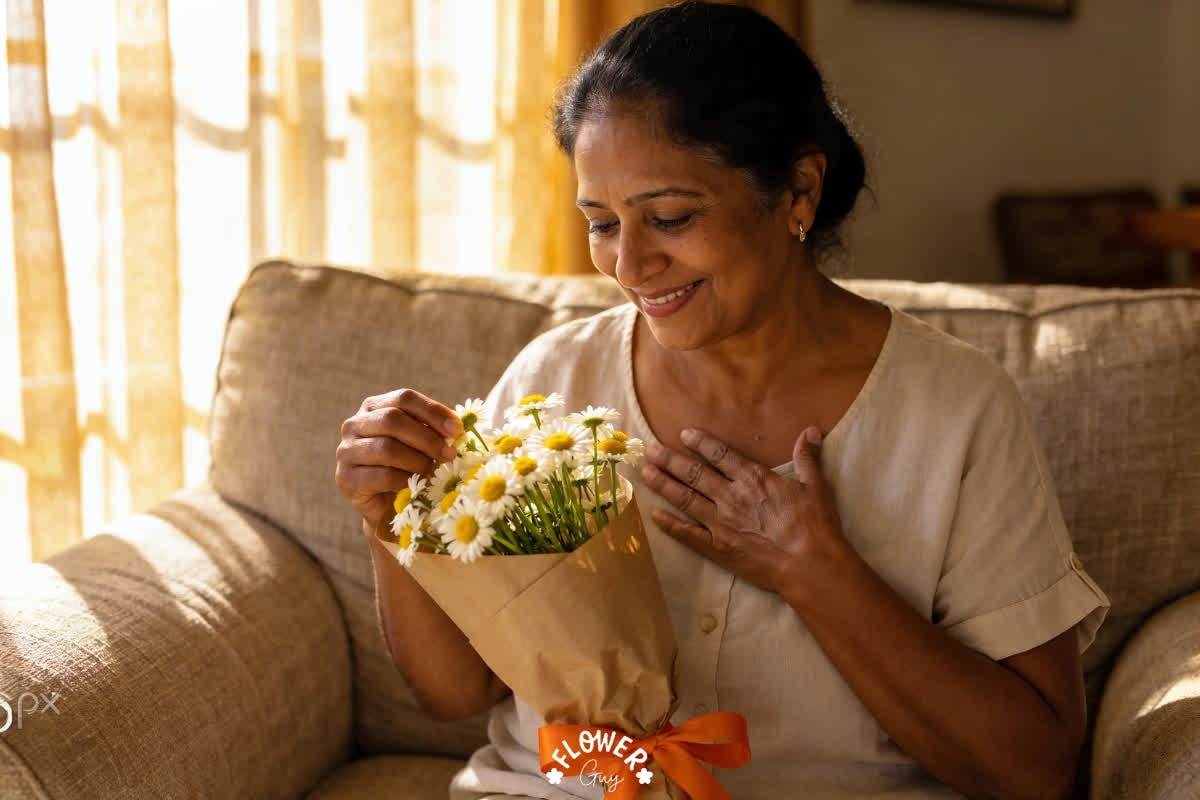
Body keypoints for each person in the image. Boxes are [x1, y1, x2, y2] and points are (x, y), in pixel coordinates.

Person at [334, 2, 1111, 798]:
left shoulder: (956, 410)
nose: (629, 265)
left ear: (799, 190)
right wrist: (388, 517)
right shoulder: (554, 379)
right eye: (602, 223)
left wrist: (816, 573)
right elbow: (456, 691)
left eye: (670, 217)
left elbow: (1034, 768)